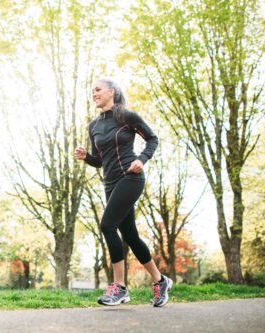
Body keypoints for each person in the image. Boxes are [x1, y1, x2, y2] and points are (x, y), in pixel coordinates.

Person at [74, 78, 173, 307]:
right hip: (110, 183)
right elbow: (100, 161)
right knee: (129, 235)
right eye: (92, 91)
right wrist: (86, 157)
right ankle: (160, 281)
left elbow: (152, 139)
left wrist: (142, 159)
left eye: (97, 90)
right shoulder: (94, 126)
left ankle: (119, 287)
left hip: (130, 176)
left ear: (112, 91)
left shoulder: (127, 117)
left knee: (107, 225)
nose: (94, 94)